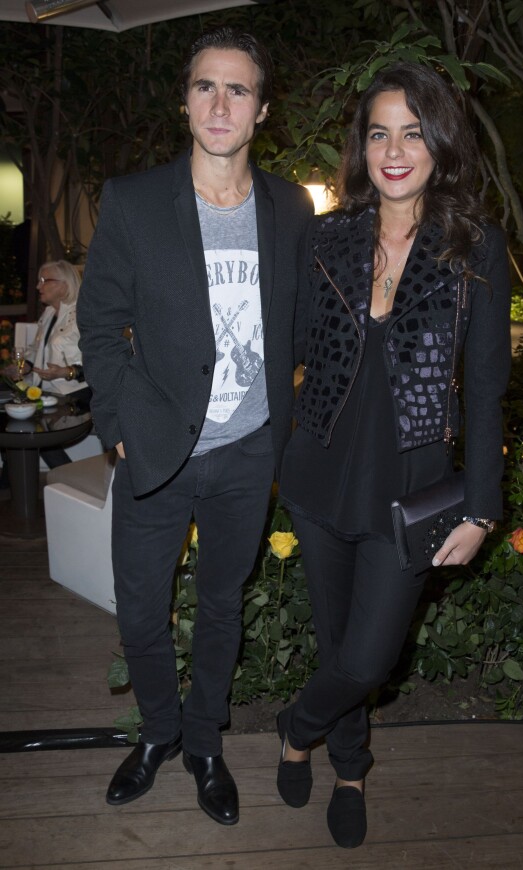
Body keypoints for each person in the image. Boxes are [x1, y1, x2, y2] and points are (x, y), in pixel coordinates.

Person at [77, 27, 313, 826]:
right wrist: (115, 424)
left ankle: (205, 743)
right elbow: (100, 322)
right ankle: (159, 733)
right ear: (184, 102)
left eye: (237, 89)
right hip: (155, 449)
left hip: (249, 452)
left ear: (261, 109)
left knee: (222, 604)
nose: (220, 104)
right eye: (205, 87)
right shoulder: (136, 200)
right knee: (140, 611)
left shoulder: (289, 204)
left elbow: (304, 324)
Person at [276, 62, 512, 848]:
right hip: (317, 478)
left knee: (369, 658)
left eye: (413, 132)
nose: (395, 149)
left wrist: (482, 506)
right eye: (380, 133)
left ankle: (297, 727)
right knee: (337, 637)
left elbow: (484, 390)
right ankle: (349, 767)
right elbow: (292, 350)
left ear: (439, 144)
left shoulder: (472, 248)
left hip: (408, 494)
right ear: (363, 147)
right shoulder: (328, 235)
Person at [14, 260, 90, 467]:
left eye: (44, 280)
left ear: (65, 284)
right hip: (47, 392)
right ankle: (9, 479)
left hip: (76, 394)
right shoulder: (48, 313)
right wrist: (26, 365)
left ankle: (68, 480)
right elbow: (36, 349)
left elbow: (97, 360)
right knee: (15, 422)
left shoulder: (84, 315)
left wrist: (66, 371)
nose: (38, 286)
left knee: (35, 431)